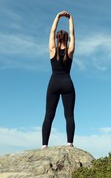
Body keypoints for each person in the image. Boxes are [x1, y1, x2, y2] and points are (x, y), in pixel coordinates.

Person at [42, 10, 76, 148]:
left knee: (49, 115)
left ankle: (44, 145)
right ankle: (69, 143)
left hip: (54, 83)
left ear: (57, 38)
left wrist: (57, 16)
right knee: (69, 115)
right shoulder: (70, 50)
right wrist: (70, 19)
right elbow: (73, 34)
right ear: (67, 39)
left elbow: (52, 30)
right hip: (67, 83)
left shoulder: (52, 49)